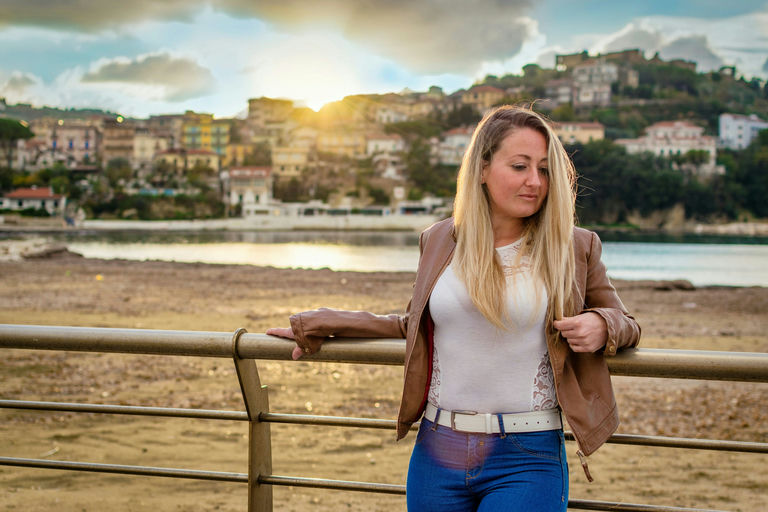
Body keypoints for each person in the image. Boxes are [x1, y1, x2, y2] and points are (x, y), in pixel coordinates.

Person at [267, 105, 640, 511]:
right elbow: (415, 321)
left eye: (545, 169)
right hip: (436, 449)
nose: (535, 181)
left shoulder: (575, 246)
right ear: (482, 168)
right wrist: (322, 323)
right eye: (519, 166)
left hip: (527, 455)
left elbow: (627, 323)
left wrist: (601, 325)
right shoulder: (439, 239)